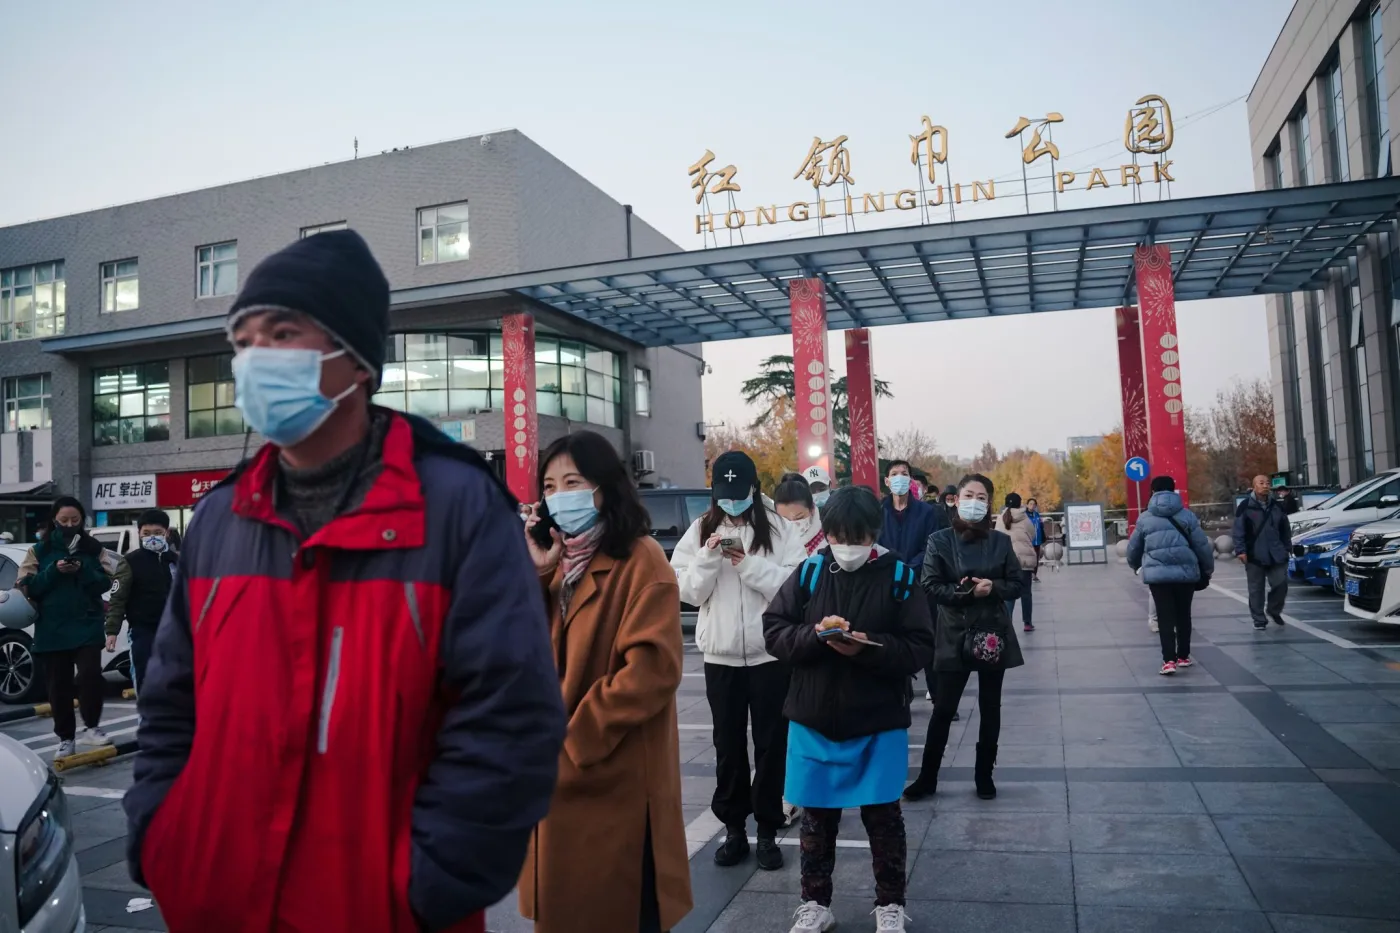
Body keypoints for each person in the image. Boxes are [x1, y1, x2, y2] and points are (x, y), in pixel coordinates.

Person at [123, 231, 566, 933]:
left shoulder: (456, 508)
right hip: (217, 900)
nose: (253, 358)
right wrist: (164, 837)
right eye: (242, 341)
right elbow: (170, 703)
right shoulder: (216, 520)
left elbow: (511, 719)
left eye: (281, 332)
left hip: (381, 908)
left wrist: (426, 882)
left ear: (354, 360)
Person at [519, 432, 692, 933]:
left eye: (572, 482)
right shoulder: (556, 563)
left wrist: (575, 739)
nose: (559, 495)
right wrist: (535, 575)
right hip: (558, 778)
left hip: (612, 774)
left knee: (616, 910)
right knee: (566, 910)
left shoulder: (640, 560)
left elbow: (653, 670)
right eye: (549, 486)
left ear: (604, 488)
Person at [763, 487, 934, 933]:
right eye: (839, 535)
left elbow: (920, 646)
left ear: (874, 533)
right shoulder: (812, 571)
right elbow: (775, 629)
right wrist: (813, 638)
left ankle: (890, 905)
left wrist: (867, 647)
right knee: (816, 819)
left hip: (878, 720)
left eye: (857, 536)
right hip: (814, 716)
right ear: (827, 532)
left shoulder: (899, 575)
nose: (848, 545)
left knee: (884, 818)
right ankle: (815, 903)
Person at [672, 450, 805, 871]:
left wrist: (747, 564)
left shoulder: (781, 529)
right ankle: (733, 830)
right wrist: (711, 556)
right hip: (720, 657)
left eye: (739, 493)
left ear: (754, 488)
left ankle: (767, 831)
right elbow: (687, 592)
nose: (731, 502)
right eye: (723, 495)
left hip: (770, 656)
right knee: (727, 746)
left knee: (771, 745)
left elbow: (794, 588)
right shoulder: (699, 530)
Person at [904, 473, 1024, 802]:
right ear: (956, 500)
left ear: (989, 504)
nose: (975, 502)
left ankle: (984, 775)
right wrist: (967, 593)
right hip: (953, 632)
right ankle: (927, 778)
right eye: (969, 495)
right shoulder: (940, 540)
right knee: (943, 708)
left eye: (982, 497)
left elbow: (1017, 582)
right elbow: (929, 584)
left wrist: (993, 588)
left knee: (990, 707)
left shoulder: (1000, 541)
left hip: (991, 634)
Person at [18, 497, 115, 756]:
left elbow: (106, 583)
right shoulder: (39, 550)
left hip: (88, 623)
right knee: (58, 685)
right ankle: (66, 738)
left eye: (75, 520)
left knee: (90, 676)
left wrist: (82, 570)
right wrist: (54, 570)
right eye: (64, 521)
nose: (70, 525)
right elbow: (27, 586)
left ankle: (92, 728)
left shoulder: (94, 549)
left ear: (83, 520)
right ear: (54, 521)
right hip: (51, 628)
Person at [1126, 475, 1215, 675]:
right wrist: (1207, 569)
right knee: (1184, 615)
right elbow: (1202, 546)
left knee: (1165, 618)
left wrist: (1136, 566)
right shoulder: (1187, 516)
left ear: (1152, 491)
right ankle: (1183, 656)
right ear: (1172, 490)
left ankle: (1168, 661)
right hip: (1186, 574)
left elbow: (1133, 548)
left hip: (1159, 577)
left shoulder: (1145, 518)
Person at [105, 509, 178, 695]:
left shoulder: (176, 561)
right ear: (139, 533)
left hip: (175, 630)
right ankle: (147, 719)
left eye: (158, 533)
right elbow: (118, 597)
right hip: (142, 630)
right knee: (145, 676)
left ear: (167, 533)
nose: (152, 538)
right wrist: (112, 631)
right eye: (146, 534)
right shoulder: (130, 561)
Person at [1234, 474, 1292, 630]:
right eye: (1261, 483)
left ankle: (1273, 610)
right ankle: (1259, 620)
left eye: (1267, 483)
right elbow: (1238, 530)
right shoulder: (1245, 506)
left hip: (1277, 553)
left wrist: (1287, 547)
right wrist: (1240, 550)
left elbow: (1285, 529)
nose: (1266, 485)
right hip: (1254, 554)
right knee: (1256, 589)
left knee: (1281, 584)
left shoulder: (1277, 506)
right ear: (1254, 486)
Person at [999, 493, 1038, 633]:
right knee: (1026, 593)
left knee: (1009, 594)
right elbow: (1032, 534)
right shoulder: (1025, 518)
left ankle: (1007, 622)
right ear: (1020, 503)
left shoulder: (1000, 518)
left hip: (1007, 560)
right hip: (1024, 560)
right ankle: (1027, 623)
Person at [775, 473, 826, 556]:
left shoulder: (827, 543)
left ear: (812, 509)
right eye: (785, 520)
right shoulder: (773, 543)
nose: (792, 524)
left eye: (799, 518)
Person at [1025, 497, 1045, 581]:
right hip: (1028, 541)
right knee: (1029, 558)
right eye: (1030, 504)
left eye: (1034, 504)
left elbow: (1040, 526)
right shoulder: (1024, 515)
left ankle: (1034, 574)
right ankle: (1028, 574)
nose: (1032, 506)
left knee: (1036, 558)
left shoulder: (1036, 514)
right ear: (1027, 505)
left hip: (1037, 540)